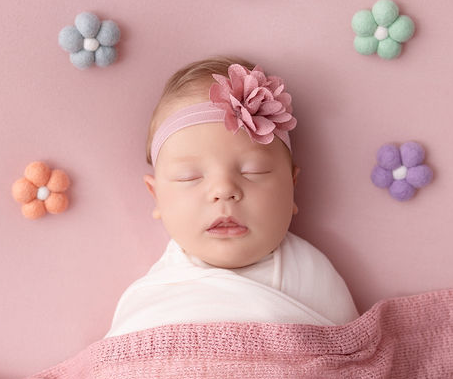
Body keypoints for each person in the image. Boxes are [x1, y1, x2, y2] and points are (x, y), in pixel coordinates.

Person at [105, 56, 360, 337]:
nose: (224, 190)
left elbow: (351, 361)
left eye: (254, 171)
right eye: (190, 177)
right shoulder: (148, 299)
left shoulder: (313, 276)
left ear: (292, 186)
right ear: (156, 197)